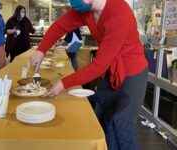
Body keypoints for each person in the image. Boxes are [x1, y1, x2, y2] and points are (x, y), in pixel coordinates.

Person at [30, 0, 148, 149]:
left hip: (132, 73)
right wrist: (41, 50)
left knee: (122, 124)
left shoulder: (119, 14)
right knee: (102, 117)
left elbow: (98, 66)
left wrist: (62, 84)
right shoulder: (86, 9)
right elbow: (60, 26)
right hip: (110, 69)